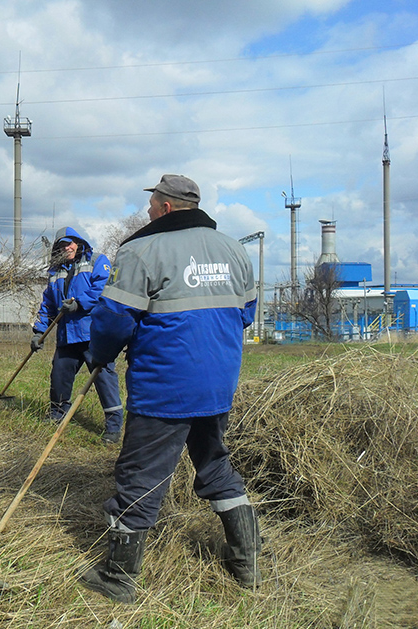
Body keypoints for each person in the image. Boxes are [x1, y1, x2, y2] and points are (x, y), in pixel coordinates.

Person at [80, 174, 260, 603]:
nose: (147, 211)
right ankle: (247, 563)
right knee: (215, 465)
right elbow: (247, 312)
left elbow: (113, 319)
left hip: (165, 386)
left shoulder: (141, 251)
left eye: (152, 203)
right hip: (217, 384)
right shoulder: (235, 249)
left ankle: (119, 578)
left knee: (139, 476)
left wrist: (100, 353)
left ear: (164, 207)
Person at [30, 227, 124, 443]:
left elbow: (103, 288)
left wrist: (79, 303)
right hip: (67, 335)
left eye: (70, 243)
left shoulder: (97, 261)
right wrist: (38, 332)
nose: (67, 247)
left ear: (79, 243)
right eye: (62, 245)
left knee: (104, 379)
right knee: (59, 377)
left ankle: (113, 426)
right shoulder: (55, 272)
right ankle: (57, 414)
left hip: (94, 333)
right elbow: (48, 305)